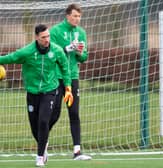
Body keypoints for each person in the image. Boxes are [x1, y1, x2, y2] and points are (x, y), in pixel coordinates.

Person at [0, 24, 73, 166]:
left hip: (50, 90)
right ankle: (43, 145)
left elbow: (65, 68)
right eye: (43, 37)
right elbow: (9, 58)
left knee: (43, 121)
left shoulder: (57, 50)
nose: (47, 39)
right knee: (35, 128)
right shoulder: (27, 52)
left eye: (48, 36)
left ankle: (40, 157)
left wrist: (68, 87)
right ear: (37, 38)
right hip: (32, 93)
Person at [49, 3, 92, 160]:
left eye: (79, 16)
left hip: (73, 77)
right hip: (57, 77)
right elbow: (51, 54)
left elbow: (84, 57)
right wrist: (67, 49)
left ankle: (77, 151)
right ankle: (43, 145)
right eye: (74, 16)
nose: (77, 19)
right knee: (55, 113)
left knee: (74, 113)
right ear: (67, 16)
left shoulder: (81, 32)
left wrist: (80, 52)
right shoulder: (55, 31)